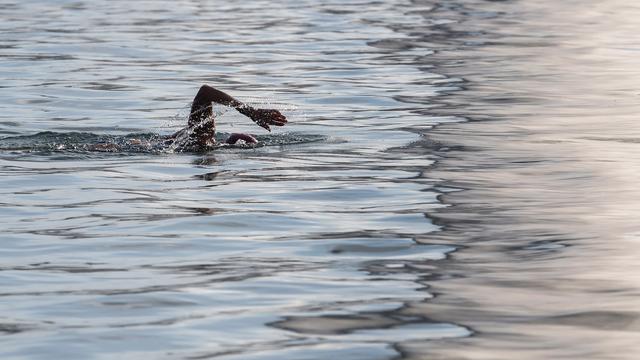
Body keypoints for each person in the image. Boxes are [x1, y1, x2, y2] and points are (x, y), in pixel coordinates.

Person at [171, 84, 287, 149]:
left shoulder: (194, 136)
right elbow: (205, 92)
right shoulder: (199, 137)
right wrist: (251, 112)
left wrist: (231, 141)